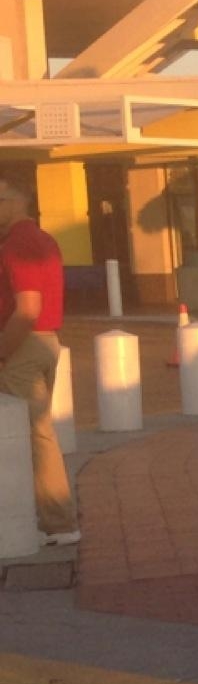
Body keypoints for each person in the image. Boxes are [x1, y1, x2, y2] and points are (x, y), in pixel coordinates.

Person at [0, 177, 80, 548]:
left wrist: (2, 351)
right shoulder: (42, 239)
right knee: (36, 431)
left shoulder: (21, 244)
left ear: (13, 202)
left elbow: (28, 308)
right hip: (42, 343)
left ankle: (57, 522)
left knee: (32, 435)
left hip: (25, 346)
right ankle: (51, 519)